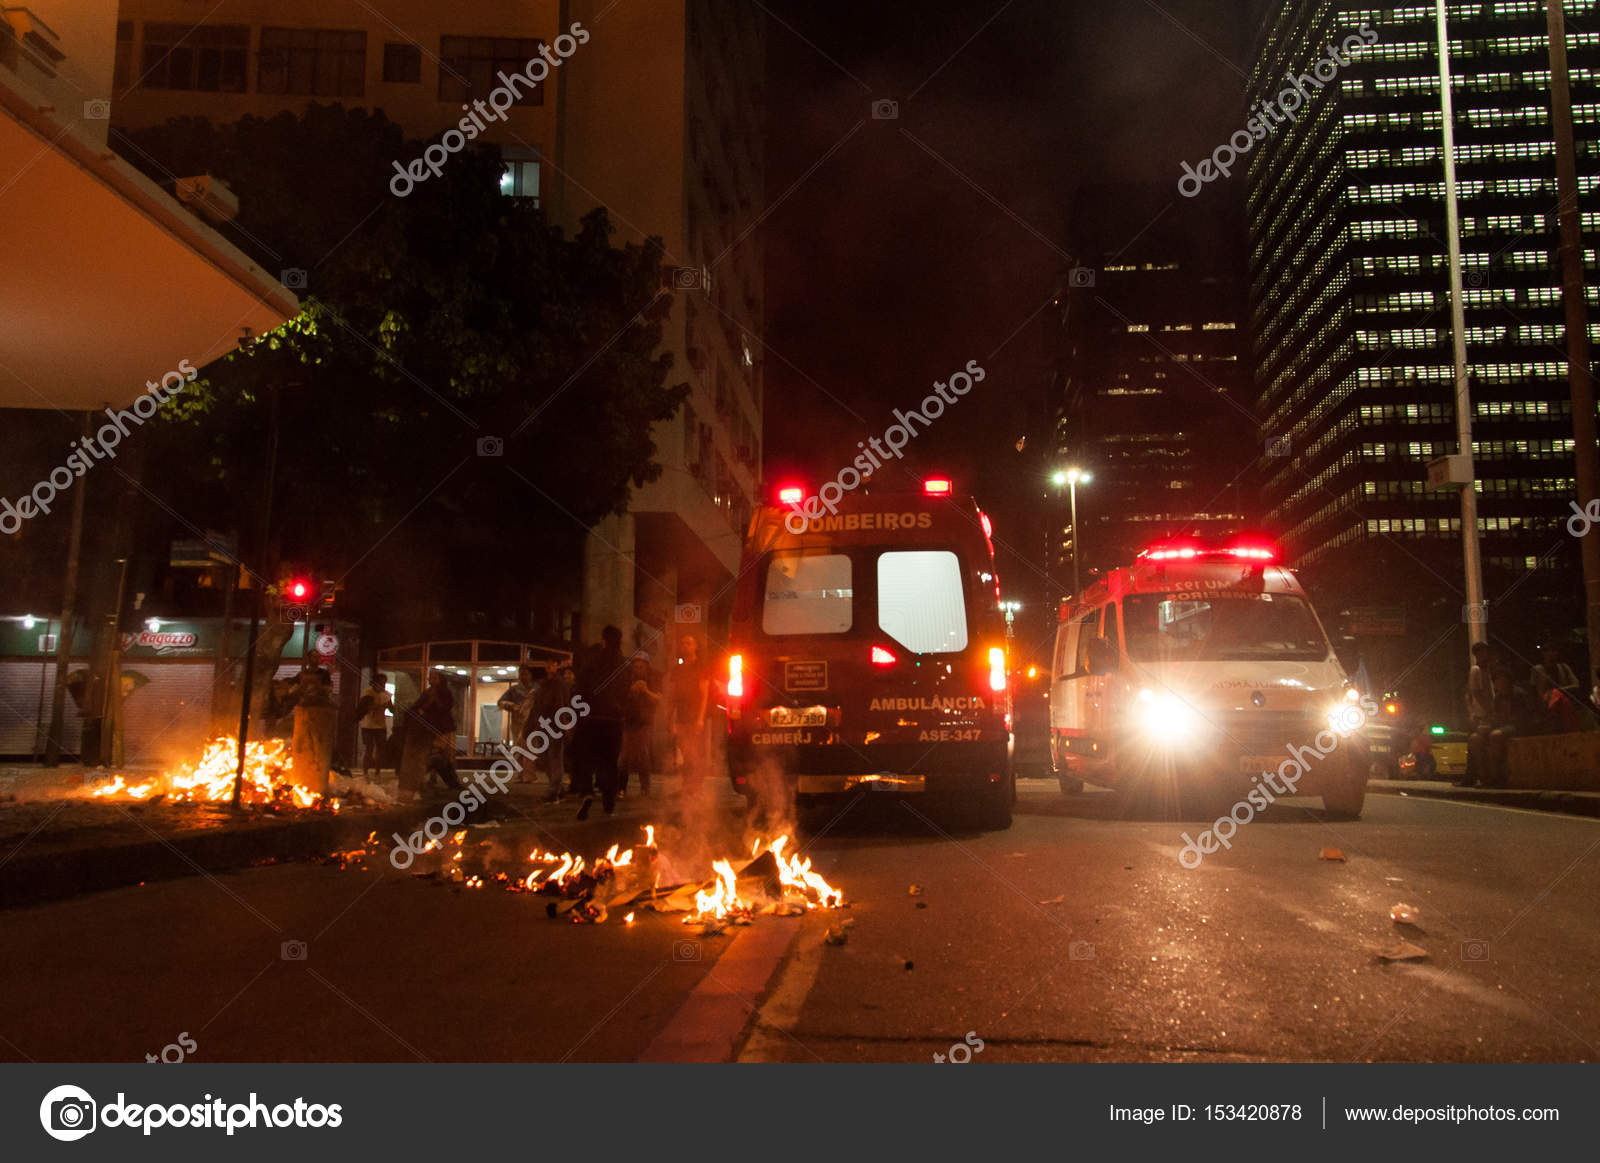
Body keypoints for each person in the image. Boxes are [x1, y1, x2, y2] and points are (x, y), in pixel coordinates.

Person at [573, 625, 627, 816]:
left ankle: (587, 791)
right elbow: (628, 694)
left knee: (587, 758)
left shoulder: (592, 662)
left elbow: (579, 691)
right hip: (613, 720)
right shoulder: (624, 664)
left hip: (591, 719)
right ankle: (608, 799)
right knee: (610, 761)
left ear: (603, 640)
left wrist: (578, 714)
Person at [400, 671, 460, 799]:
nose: (431, 680)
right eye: (430, 678)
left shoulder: (445, 692)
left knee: (447, 754)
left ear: (440, 679)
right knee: (434, 753)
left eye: (434, 678)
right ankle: (430, 778)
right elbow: (417, 708)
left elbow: (445, 708)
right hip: (431, 729)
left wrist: (435, 699)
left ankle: (452, 780)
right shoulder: (427, 693)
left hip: (445, 728)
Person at [668, 632, 710, 795]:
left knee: (696, 753)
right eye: (683, 643)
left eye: (688, 643)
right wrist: (670, 718)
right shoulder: (677, 669)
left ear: (695, 646)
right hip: (681, 716)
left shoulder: (701, 666)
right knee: (685, 751)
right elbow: (672, 695)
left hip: (695, 717)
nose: (685, 646)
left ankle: (696, 786)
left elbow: (704, 693)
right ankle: (687, 785)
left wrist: (700, 718)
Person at [619, 653, 661, 797]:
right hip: (628, 722)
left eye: (641, 666)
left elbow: (658, 699)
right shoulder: (627, 679)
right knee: (624, 756)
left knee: (642, 754)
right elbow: (621, 698)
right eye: (636, 666)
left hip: (645, 722)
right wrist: (631, 691)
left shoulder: (653, 679)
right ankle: (621, 788)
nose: (638, 669)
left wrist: (645, 691)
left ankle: (645, 788)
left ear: (647, 667)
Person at [534, 663, 576, 802]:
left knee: (554, 757)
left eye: (552, 665)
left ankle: (554, 789)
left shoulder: (559, 685)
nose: (549, 668)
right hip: (544, 726)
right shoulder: (542, 687)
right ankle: (557, 787)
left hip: (555, 726)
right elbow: (537, 708)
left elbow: (563, 705)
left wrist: (565, 724)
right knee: (545, 758)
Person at [497, 665, 540, 781]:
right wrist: (513, 707)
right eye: (521, 674)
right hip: (518, 723)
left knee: (530, 748)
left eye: (526, 673)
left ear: (530, 675)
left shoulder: (537, 689)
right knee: (519, 748)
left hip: (533, 722)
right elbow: (501, 702)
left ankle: (529, 775)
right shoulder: (514, 690)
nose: (523, 676)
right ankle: (521, 775)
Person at [357, 673, 392, 776]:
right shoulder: (368, 693)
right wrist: (378, 706)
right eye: (381, 683)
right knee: (369, 748)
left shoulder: (386, 694)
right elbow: (364, 708)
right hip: (368, 725)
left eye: (384, 683)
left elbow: (392, 709)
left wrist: (389, 706)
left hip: (381, 725)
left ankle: (377, 771)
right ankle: (365, 771)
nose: (383, 685)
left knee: (380, 749)